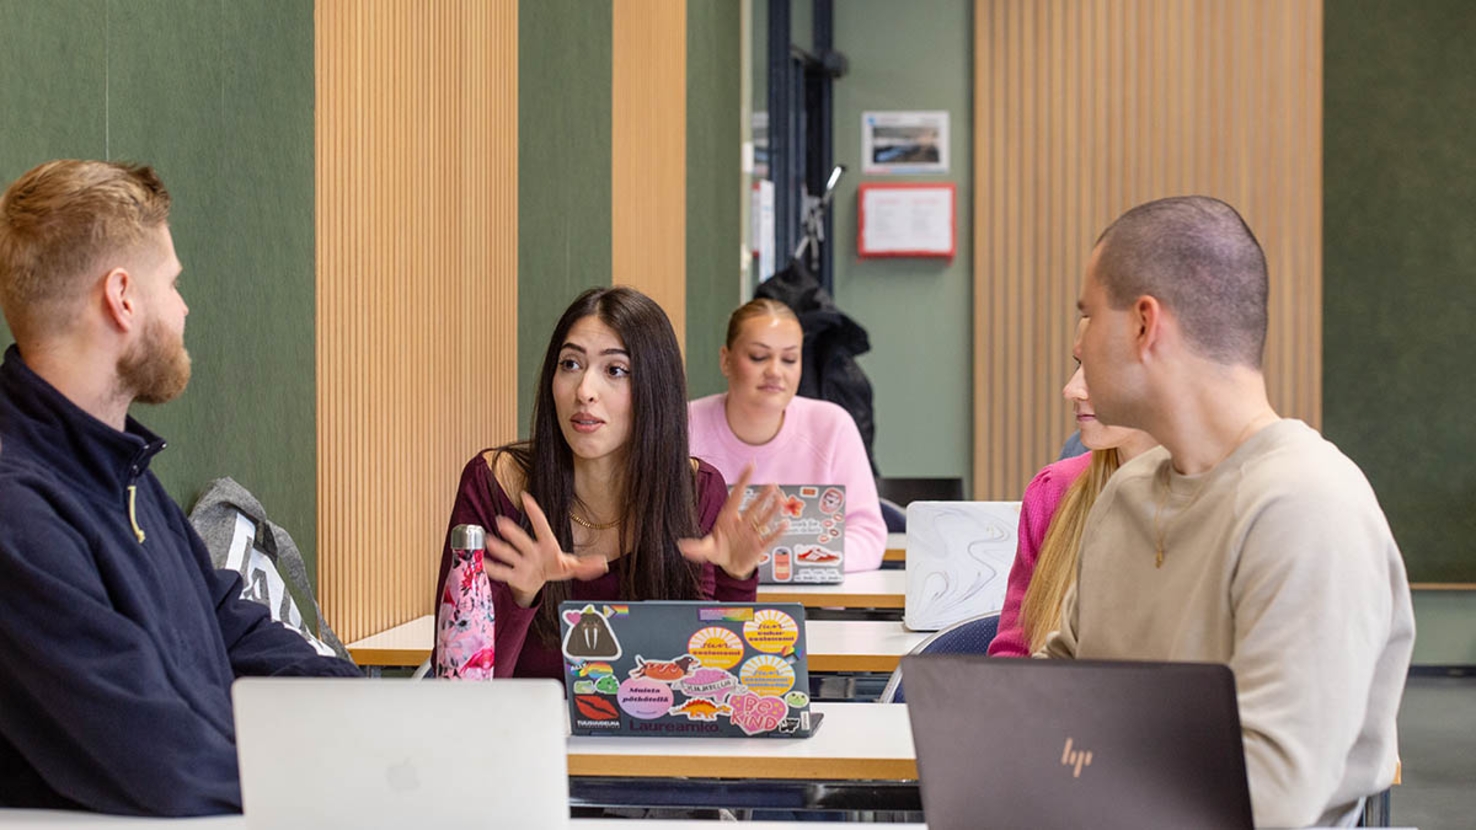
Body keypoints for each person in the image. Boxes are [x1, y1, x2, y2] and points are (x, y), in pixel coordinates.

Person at [0, 160, 360, 817]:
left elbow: (232, 625)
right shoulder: (18, 512)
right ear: (122, 297)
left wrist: (369, 715)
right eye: (171, 282)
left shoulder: (123, 475)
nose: (184, 306)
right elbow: (161, 757)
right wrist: (341, 771)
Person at [1041, 196, 1415, 827]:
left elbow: (1270, 798)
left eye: (1089, 314)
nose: (1079, 348)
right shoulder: (1125, 495)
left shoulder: (1308, 508)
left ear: (1144, 325)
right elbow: (1051, 699)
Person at [433, 286, 783, 680]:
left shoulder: (694, 492)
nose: (584, 391)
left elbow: (712, 680)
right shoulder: (495, 484)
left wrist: (737, 578)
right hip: (522, 720)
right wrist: (521, 596)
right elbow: (461, 688)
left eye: (615, 370)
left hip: (652, 720)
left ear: (655, 387)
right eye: (570, 364)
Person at [688, 298, 885, 572]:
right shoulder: (684, 425)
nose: (775, 372)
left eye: (790, 359)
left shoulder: (832, 425)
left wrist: (778, 562)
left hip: (813, 596)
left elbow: (868, 536)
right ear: (726, 360)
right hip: (707, 593)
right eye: (758, 357)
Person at [987, 361, 1155, 657]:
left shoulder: (1227, 503)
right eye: (1079, 364)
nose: (1072, 389)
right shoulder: (1055, 489)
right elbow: (1014, 654)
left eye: (1100, 365)